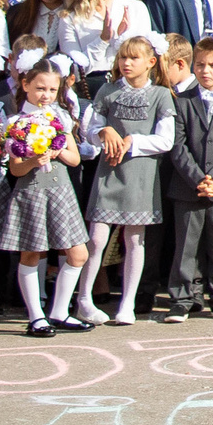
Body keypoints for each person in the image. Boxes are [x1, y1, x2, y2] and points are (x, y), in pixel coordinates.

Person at [0, 52, 91, 337]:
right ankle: (36, 316)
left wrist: (57, 150)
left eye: (52, 90)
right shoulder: (16, 123)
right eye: (40, 88)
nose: (46, 95)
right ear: (25, 86)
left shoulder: (60, 117)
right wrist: (34, 159)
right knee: (32, 252)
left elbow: (75, 159)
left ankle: (59, 312)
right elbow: (17, 171)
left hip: (60, 190)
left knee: (78, 253)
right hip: (32, 191)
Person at [73, 33, 173, 326]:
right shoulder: (107, 90)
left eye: (134, 58)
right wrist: (103, 133)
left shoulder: (161, 95)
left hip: (140, 173)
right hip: (110, 171)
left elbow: (165, 140)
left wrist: (133, 141)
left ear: (151, 62)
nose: (126, 63)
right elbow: (90, 130)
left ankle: (126, 303)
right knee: (96, 237)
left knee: (134, 238)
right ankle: (84, 299)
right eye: (123, 57)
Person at [161, 36, 213, 321]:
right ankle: (183, 298)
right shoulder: (182, 102)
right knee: (186, 245)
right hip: (188, 186)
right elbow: (178, 146)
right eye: (200, 65)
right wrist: (198, 178)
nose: (206, 71)